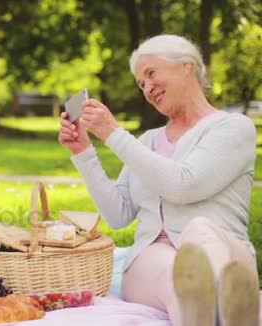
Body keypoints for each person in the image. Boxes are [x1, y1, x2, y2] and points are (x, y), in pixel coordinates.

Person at [58, 34, 260, 326]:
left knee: (200, 231)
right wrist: (83, 152)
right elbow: (118, 214)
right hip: (154, 255)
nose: (147, 88)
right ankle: (218, 307)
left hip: (221, 246)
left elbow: (183, 185)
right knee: (176, 280)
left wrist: (113, 134)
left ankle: (221, 295)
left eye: (151, 73)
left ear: (186, 66)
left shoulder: (233, 128)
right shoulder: (148, 141)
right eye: (141, 84)